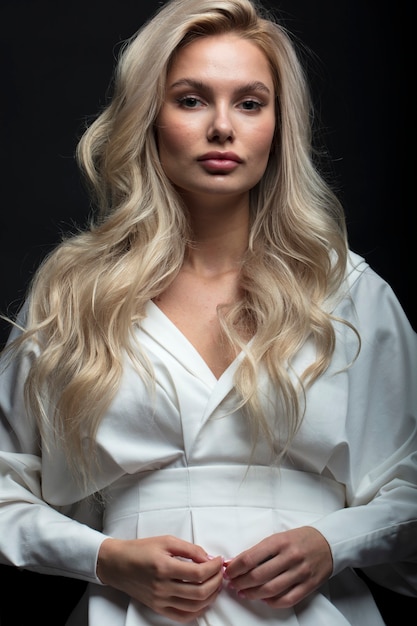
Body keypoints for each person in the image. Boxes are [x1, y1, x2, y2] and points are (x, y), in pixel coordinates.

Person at [0, 0, 416, 624]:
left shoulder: (347, 289)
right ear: (149, 117)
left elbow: (410, 480)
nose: (223, 127)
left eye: (250, 103)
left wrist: (334, 543)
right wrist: (105, 557)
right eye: (191, 99)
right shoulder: (75, 293)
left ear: (278, 125)